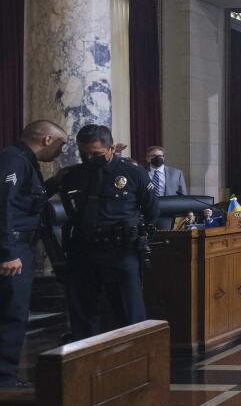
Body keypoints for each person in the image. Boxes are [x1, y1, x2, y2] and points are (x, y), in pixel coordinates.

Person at [59, 124, 158, 339]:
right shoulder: (72, 176)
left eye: (95, 154)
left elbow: (152, 211)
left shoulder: (132, 173)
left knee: (130, 313)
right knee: (83, 316)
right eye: (83, 153)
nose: (89, 158)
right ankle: (88, 366)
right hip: (84, 251)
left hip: (121, 251)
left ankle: (136, 363)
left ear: (111, 148)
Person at [0, 121, 67, 386]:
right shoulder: (13, 160)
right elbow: (4, 207)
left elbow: (29, 200)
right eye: (61, 144)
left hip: (20, 247)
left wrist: (55, 182)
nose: (61, 151)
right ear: (48, 140)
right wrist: (7, 252)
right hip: (13, 250)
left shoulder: (24, 161)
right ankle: (4, 380)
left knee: (15, 314)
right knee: (12, 315)